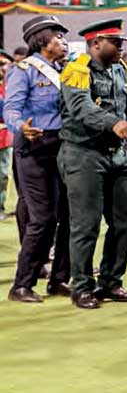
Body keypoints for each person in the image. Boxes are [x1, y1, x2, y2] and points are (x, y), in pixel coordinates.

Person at [57, 19, 127, 309]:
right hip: (83, 153)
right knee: (86, 224)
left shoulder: (120, 71)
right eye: (115, 43)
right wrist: (113, 123)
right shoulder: (76, 70)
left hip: (116, 154)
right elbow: (81, 108)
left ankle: (110, 282)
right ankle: (81, 287)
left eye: (121, 43)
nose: (121, 48)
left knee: (124, 221)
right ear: (96, 43)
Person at [3, 16, 72, 303]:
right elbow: (11, 109)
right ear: (42, 41)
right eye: (59, 37)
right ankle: (22, 284)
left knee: (69, 216)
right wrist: (21, 126)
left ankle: (59, 279)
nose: (64, 42)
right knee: (42, 218)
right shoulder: (24, 71)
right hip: (34, 146)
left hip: (63, 147)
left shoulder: (65, 70)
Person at [0, 50, 16, 221]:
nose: (1, 68)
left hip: (4, 138)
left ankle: (1, 206)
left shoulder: (13, 84)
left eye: (3, 64)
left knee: (3, 174)